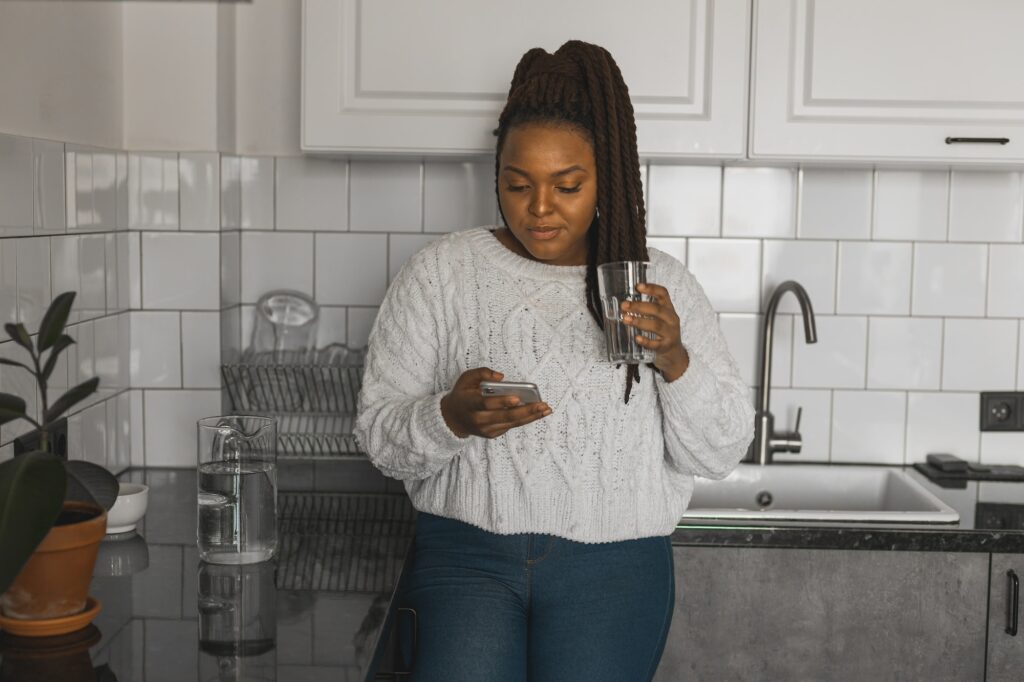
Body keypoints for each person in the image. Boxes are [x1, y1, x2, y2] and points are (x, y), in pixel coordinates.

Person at [354, 40, 754, 682]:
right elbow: (380, 439)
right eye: (518, 184)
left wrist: (675, 359)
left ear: (607, 178)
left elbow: (719, 452)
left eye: (567, 185)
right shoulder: (441, 273)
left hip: (617, 571)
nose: (539, 208)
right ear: (496, 175)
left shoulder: (658, 286)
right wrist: (450, 418)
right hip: (466, 559)